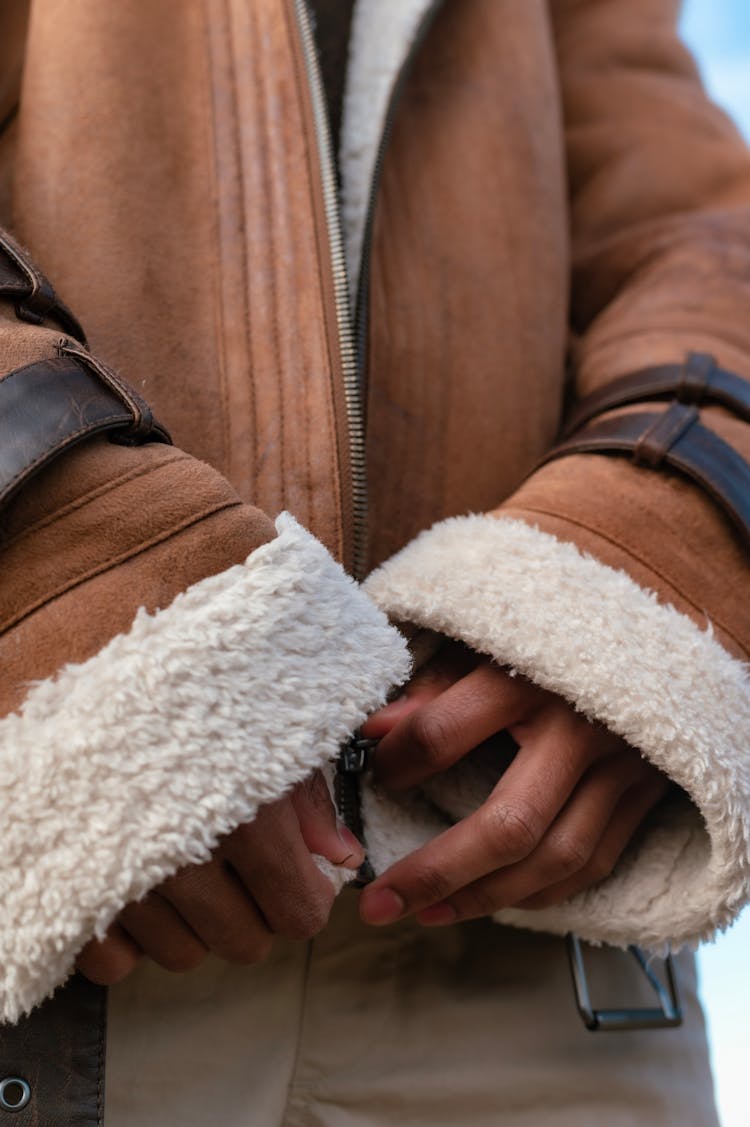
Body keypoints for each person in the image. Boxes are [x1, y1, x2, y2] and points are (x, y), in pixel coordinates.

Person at [0, 0, 748, 1123]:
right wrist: (85, 594)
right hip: (56, 936)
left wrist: (634, 571)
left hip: (538, 973)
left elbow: (701, 241)